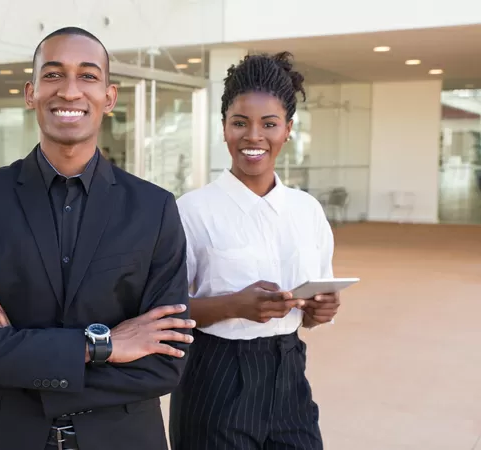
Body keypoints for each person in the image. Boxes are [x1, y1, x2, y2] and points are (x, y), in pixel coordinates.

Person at [0, 27, 196, 450]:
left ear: (109, 98)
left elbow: (165, 364)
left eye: (88, 76)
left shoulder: (154, 208)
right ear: (31, 92)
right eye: (53, 75)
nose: (70, 91)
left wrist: (13, 357)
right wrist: (104, 345)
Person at [169, 52, 340, 450]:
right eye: (240, 123)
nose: (253, 136)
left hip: (289, 374)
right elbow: (167, 310)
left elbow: (313, 303)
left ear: (288, 130)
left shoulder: (307, 211)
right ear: (224, 128)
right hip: (216, 378)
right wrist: (234, 306)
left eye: (269, 124)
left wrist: (320, 311)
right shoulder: (191, 210)